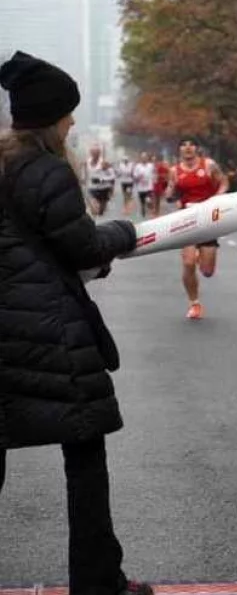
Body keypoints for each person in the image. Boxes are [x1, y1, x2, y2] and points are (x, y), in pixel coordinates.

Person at [0, 51, 152, 595]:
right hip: (47, 331)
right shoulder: (47, 172)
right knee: (84, 453)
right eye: (67, 114)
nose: (71, 123)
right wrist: (126, 234)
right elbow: (81, 246)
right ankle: (98, 581)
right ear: (51, 119)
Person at [165, 137, 228, 319]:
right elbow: (170, 194)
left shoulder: (208, 165)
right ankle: (194, 303)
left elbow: (224, 182)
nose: (188, 148)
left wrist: (218, 197)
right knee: (188, 263)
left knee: (207, 272)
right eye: (183, 145)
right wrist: (171, 193)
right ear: (179, 150)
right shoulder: (174, 171)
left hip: (208, 219)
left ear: (197, 148)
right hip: (187, 220)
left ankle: (202, 255)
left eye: (191, 144)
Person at [132, 152, 155, 217]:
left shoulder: (151, 165)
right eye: (143, 157)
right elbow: (134, 176)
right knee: (142, 201)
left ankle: (149, 208)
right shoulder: (137, 166)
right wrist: (138, 177)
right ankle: (143, 209)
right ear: (141, 158)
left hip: (149, 187)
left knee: (148, 200)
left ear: (147, 158)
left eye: (145, 157)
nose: (144, 158)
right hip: (141, 187)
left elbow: (154, 174)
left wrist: (154, 179)